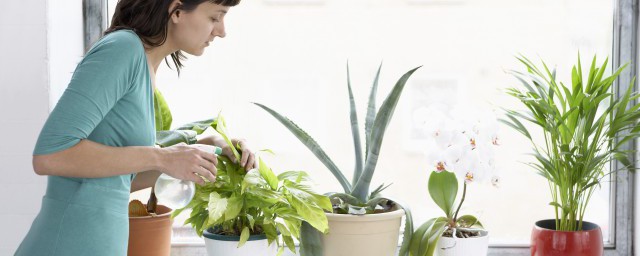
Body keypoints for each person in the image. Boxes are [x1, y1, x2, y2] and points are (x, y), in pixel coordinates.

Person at [14, 0, 254, 255]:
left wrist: (205, 150)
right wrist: (162, 157)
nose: (221, 30)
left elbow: (115, 180)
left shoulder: (144, 64)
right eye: (216, 17)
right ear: (177, 10)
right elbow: (50, 156)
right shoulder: (123, 49)